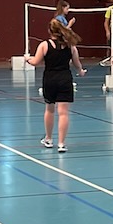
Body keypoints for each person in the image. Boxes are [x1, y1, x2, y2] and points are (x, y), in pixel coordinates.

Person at [28, 18, 83, 152]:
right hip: (65, 80)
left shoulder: (44, 45)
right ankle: (61, 144)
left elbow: (35, 62)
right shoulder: (71, 46)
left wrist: (27, 59)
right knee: (63, 113)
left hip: (50, 80)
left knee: (50, 110)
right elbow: (77, 64)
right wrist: (81, 71)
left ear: (50, 31)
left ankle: (48, 139)